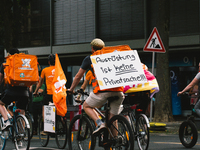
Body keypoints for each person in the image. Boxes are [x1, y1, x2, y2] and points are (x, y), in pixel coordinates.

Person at [68, 38, 125, 136]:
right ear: (104, 48)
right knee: (112, 118)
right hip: (119, 92)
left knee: (86, 106)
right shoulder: (112, 56)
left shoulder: (90, 58)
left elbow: (78, 76)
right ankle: (116, 140)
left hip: (103, 92)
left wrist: (71, 89)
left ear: (92, 48)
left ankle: (100, 124)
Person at [0, 48, 29, 130]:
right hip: (24, 93)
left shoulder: (5, 64)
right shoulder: (24, 64)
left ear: (9, 55)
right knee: (22, 111)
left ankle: (6, 121)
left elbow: (0, 79)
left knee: (1, 104)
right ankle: (21, 134)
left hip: (11, 92)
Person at [33, 54, 55, 119]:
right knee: (59, 112)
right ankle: (62, 122)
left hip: (49, 94)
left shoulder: (45, 70)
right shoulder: (59, 70)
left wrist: (36, 92)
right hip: (58, 94)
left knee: (44, 109)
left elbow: (40, 84)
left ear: (49, 62)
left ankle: (46, 125)